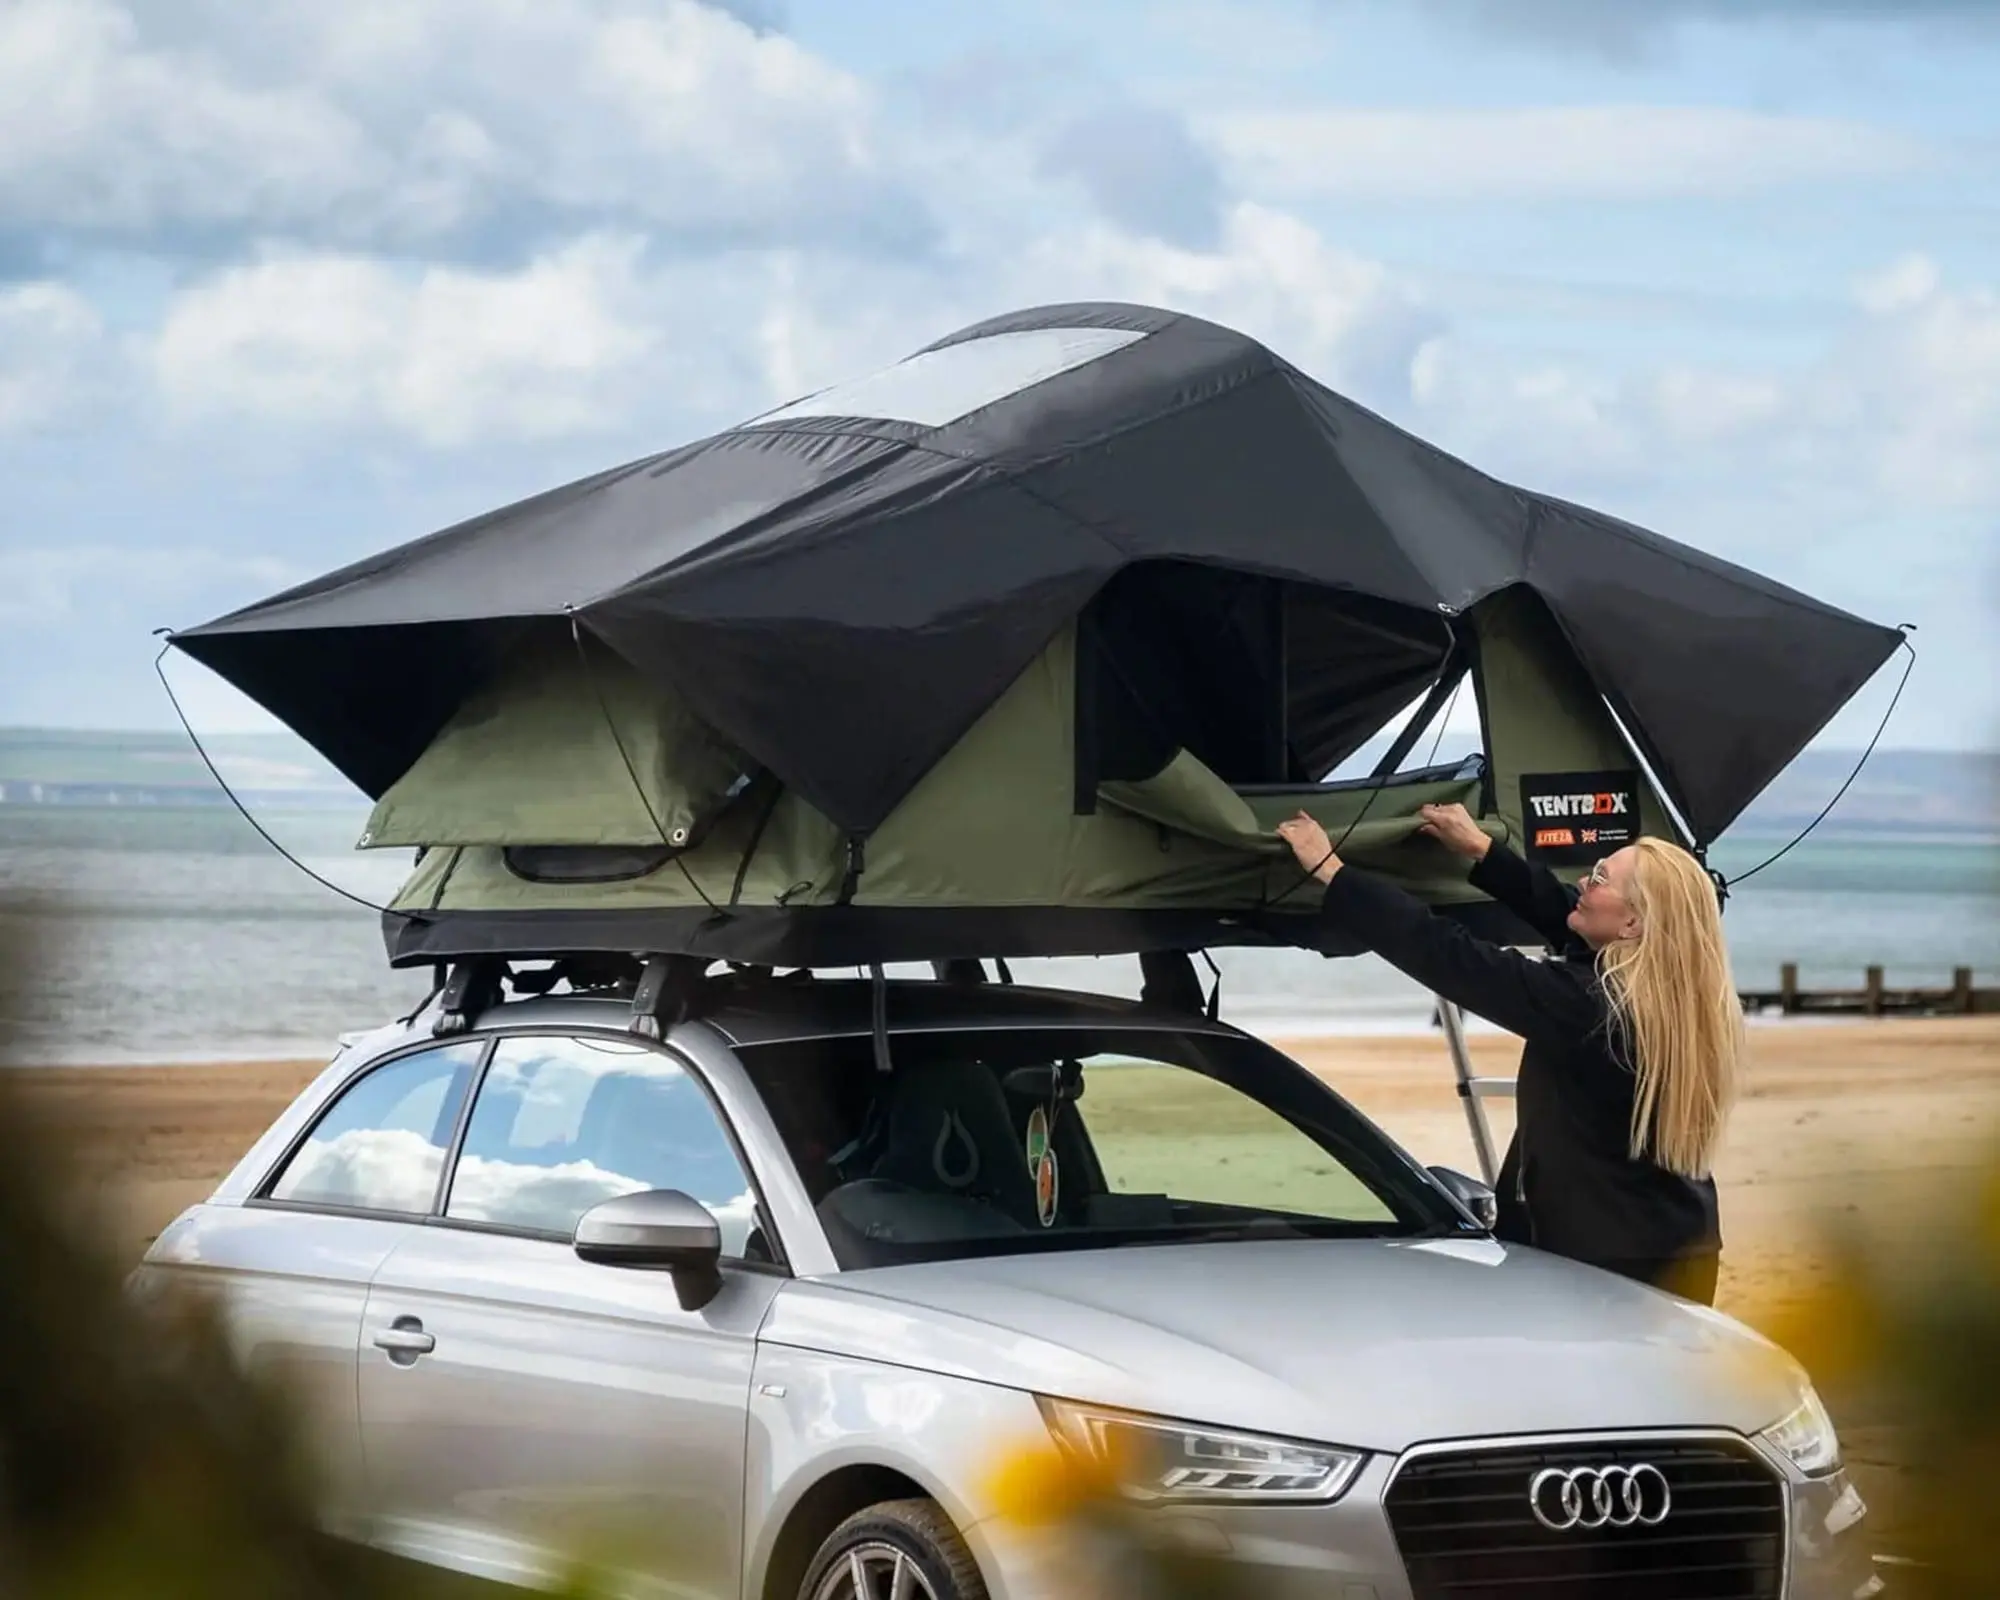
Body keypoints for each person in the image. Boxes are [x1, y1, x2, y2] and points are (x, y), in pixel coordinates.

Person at [1275, 802, 1742, 1305]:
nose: (1585, 881)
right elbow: (1564, 912)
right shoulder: (1670, 990)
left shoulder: (1588, 1007)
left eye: (1601, 878)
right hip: (1677, 1241)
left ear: (1631, 925)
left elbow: (1448, 955)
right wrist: (1481, 851)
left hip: (1606, 1262)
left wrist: (1333, 872)